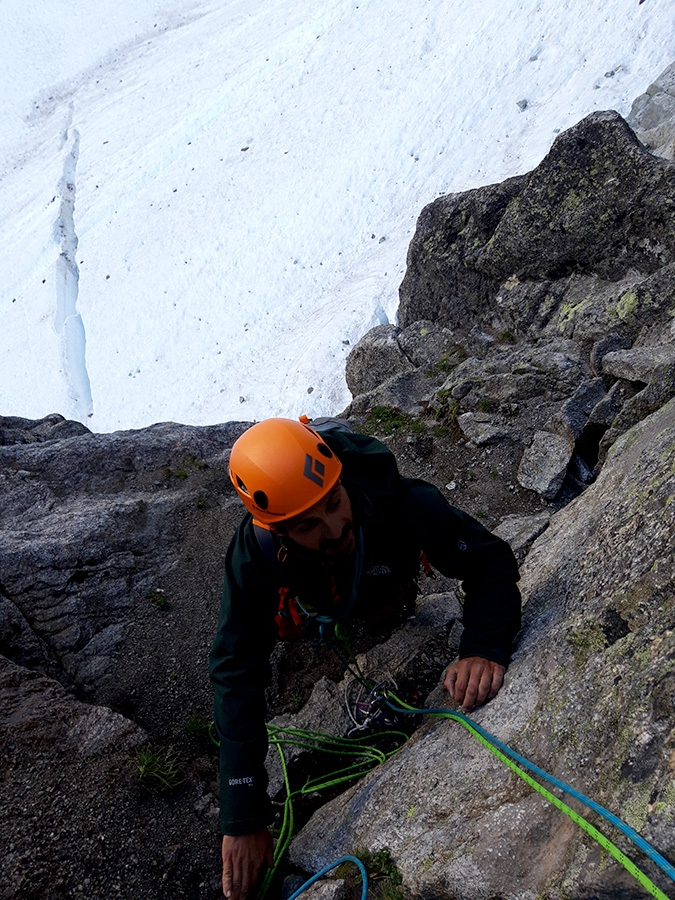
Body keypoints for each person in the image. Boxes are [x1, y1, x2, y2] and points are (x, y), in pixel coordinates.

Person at [210, 417, 521, 899]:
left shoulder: (395, 499)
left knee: (380, 598)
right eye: (308, 525)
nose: (334, 526)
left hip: (380, 575)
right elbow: (236, 667)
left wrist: (483, 646)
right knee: (299, 616)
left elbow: (490, 560)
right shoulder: (254, 554)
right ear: (277, 530)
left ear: (339, 480)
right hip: (315, 589)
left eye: (334, 503)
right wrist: (242, 812)